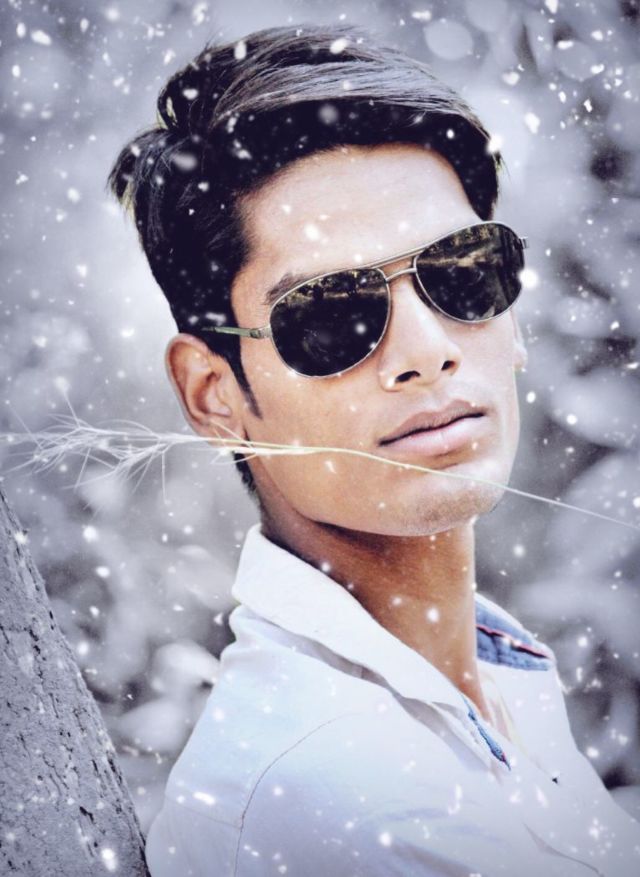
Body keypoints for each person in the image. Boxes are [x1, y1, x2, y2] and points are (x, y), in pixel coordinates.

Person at [108, 24, 640, 877]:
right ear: (213, 394)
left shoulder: (485, 683)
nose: (427, 349)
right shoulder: (337, 798)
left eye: (463, 270)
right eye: (330, 312)